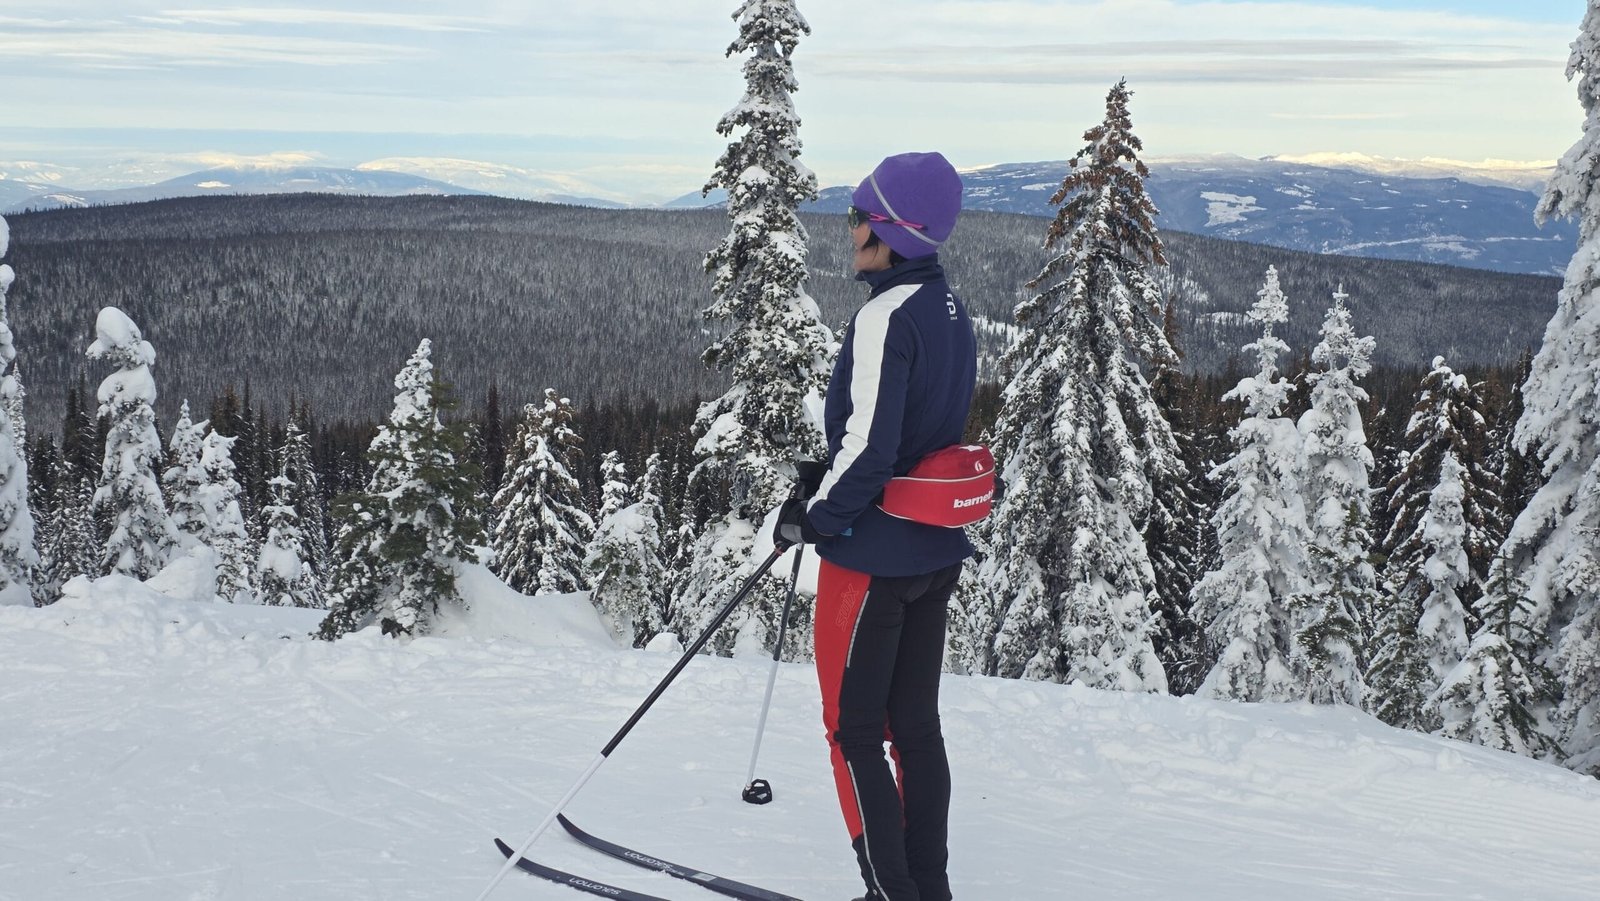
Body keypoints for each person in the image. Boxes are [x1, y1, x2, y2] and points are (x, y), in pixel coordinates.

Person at [773, 151, 975, 901]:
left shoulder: (882, 316)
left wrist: (815, 518)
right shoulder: (947, 306)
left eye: (859, 215)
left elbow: (872, 448)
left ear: (889, 233)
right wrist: (830, 477)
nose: (850, 226)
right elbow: (920, 434)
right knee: (915, 728)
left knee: (853, 730)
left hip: (874, 561)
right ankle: (927, 887)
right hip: (934, 553)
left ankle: (890, 891)